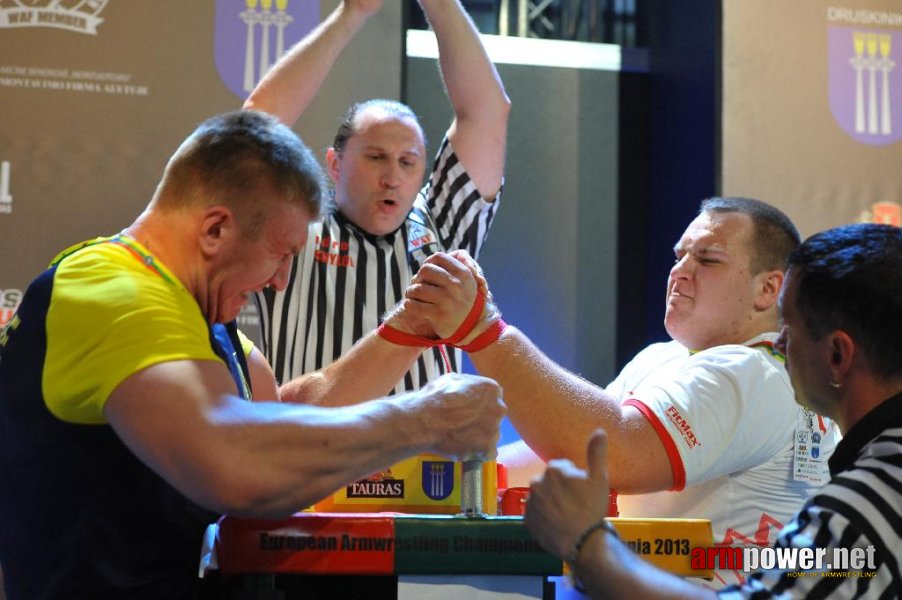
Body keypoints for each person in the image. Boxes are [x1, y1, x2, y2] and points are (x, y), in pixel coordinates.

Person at [0, 110, 505, 599]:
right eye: (280, 252)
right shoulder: (113, 291)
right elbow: (237, 462)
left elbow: (287, 421)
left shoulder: (193, 313)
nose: (281, 279)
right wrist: (424, 418)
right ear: (216, 229)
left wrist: (410, 329)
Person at [408, 197, 841, 588]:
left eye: (707, 259)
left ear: (769, 290)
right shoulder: (667, 357)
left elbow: (615, 453)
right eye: (679, 254)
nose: (680, 270)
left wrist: (484, 332)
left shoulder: (750, 371)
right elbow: (569, 452)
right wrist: (432, 483)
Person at [523, 222, 902, 599]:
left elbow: (615, 451)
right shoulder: (871, 490)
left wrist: (589, 546)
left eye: (791, 328)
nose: (780, 343)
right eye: (679, 255)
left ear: (837, 355)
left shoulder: (862, 507)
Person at [243, 0, 510, 399]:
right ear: (334, 164)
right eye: (375, 158)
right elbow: (254, 127)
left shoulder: (441, 223)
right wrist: (352, 13)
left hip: (422, 460)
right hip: (309, 452)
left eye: (408, 162)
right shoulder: (296, 225)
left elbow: (487, 111)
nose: (392, 178)